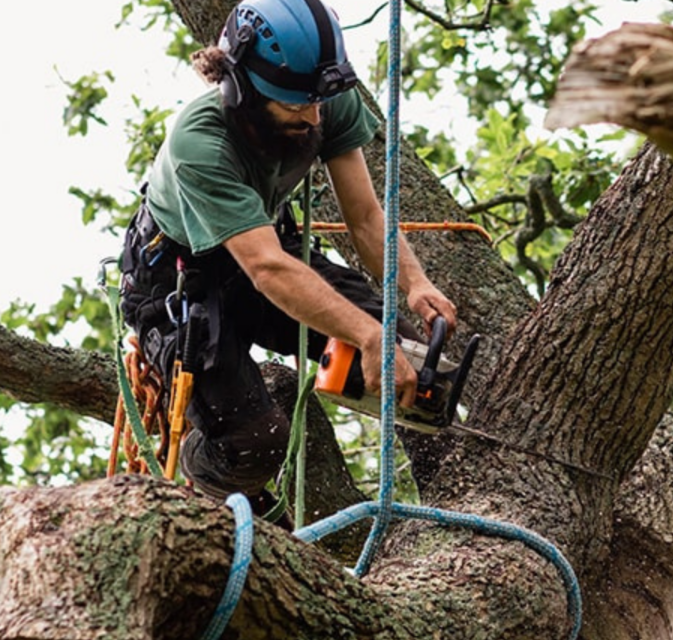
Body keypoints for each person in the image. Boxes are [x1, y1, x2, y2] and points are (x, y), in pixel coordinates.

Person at [119, 0, 457, 513]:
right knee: (255, 438)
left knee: (410, 363)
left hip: (268, 249)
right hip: (183, 286)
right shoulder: (200, 142)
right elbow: (267, 269)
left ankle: (450, 495)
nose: (314, 116)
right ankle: (211, 473)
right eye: (297, 105)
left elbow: (364, 216)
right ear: (241, 89)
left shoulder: (321, 96)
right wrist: (366, 335)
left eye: (319, 101)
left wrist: (414, 284)